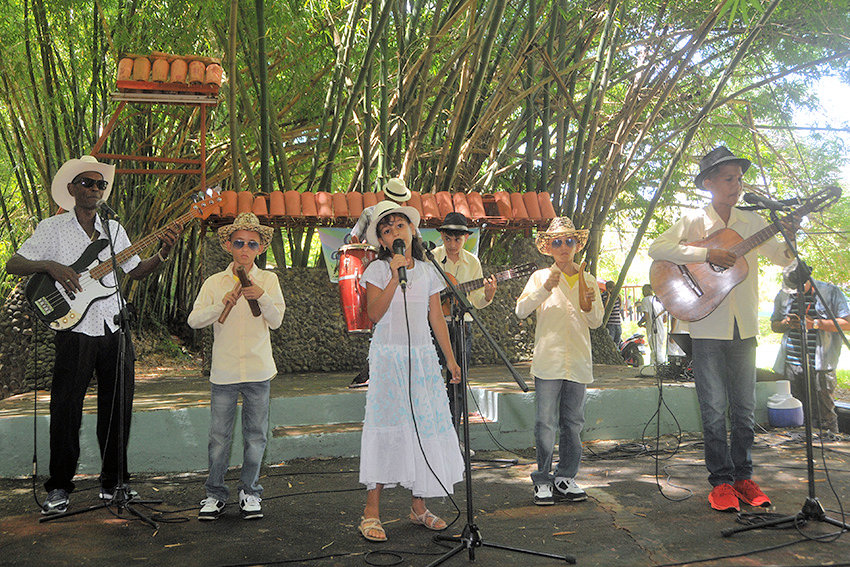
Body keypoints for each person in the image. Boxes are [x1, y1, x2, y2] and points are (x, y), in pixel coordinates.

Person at [5, 155, 182, 515]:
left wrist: (163, 252)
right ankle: (58, 487)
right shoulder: (52, 229)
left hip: (114, 327)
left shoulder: (114, 231)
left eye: (100, 184)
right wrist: (51, 265)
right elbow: (14, 263)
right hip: (75, 328)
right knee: (66, 408)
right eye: (87, 183)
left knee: (118, 409)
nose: (95, 189)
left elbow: (137, 271)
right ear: (71, 189)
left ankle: (114, 482)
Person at [648, 146, 796, 512]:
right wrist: (706, 254)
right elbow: (657, 248)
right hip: (706, 328)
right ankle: (721, 483)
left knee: (744, 408)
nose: (737, 184)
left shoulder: (753, 221)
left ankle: (744, 476)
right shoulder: (694, 221)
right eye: (729, 178)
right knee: (713, 409)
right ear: (709, 183)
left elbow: (782, 258)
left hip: (744, 326)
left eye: (739, 178)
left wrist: (792, 234)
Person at [356, 200, 464, 542]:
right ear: (382, 241)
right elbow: (374, 314)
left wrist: (450, 359)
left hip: (422, 360)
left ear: (412, 230)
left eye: (399, 226)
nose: (394, 233)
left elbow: (436, 319)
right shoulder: (376, 270)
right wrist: (392, 276)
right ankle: (370, 512)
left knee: (421, 430)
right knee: (388, 428)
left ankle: (419, 506)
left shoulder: (428, 270)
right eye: (386, 231)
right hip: (389, 362)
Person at [187, 212, 286, 521]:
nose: (245, 249)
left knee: (256, 436)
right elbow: (194, 320)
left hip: (259, 370)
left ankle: (250, 492)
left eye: (252, 244)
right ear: (228, 245)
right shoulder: (215, 283)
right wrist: (224, 302)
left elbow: (276, 320)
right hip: (225, 372)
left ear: (259, 249)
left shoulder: (269, 279)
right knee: (219, 438)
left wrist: (263, 297)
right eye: (239, 242)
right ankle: (214, 494)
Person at [515, 217, 603, 506]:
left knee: (573, 423)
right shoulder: (541, 277)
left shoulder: (588, 279)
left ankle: (566, 476)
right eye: (557, 242)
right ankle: (542, 479)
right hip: (548, 361)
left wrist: (588, 304)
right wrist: (545, 288)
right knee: (544, 423)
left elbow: (596, 322)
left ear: (577, 245)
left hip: (577, 360)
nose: (564, 247)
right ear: (548, 247)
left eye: (569, 241)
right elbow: (520, 310)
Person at [348, 178, 415, 388]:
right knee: (381, 321)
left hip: (404, 266)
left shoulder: (401, 219)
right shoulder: (370, 213)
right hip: (379, 266)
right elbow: (354, 239)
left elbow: (352, 237)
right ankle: (374, 368)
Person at [432, 212, 497, 427]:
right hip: (434, 324)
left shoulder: (472, 262)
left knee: (458, 381)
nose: (452, 244)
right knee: (433, 378)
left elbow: (477, 301)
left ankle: (455, 436)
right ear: (441, 236)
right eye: (448, 238)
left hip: (463, 326)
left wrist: (487, 295)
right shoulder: (430, 259)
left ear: (466, 238)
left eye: (457, 239)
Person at [771, 262, 849, 433]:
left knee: (825, 414)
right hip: (791, 363)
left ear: (807, 280)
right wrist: (786, 323)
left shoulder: (830, 292)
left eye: (797, 288)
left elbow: (847, 323)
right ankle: (800, 446)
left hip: (821, 364)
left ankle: (830, 447)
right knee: (797, 412)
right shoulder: (783, 295)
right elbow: (774, 325)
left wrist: (814, 324)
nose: (794, 292)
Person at [637, 284, 667, 365]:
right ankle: (657, 366)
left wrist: (640, 322)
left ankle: (658, 366)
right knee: (659, 348)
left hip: (652, 328)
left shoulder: (645, 300)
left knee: (655, 350)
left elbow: (646, 316)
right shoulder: (658, 300)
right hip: (660, 328)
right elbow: (665, 319)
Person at [601, 281, 622, 345]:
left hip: (617, 322)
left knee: (617, 341)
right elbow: (605, 307)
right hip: (610, 322)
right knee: (611, 341)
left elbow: (619, 307)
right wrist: (608, 297)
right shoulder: (604, 295)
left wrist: (620, 299)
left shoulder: (616, 296)